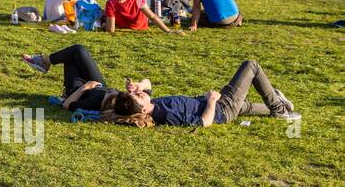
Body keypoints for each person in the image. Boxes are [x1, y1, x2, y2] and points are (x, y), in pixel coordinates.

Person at [109, 60, 298, 127]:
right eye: (140, 96)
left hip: (222, 106)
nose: (142, 93)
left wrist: (138, 86)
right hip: (221, 109)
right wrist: (212, 101)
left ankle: (279, 104)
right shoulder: (166, 115)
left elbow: (148, 83)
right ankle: (279, 108)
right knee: (251, 66)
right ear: (142, 110)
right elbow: (203, 123)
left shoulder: (152, 104)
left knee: (246, 106)